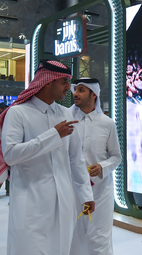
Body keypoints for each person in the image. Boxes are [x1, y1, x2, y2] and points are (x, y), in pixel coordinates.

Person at [0, 59, 95, 255]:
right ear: (47, 82)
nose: (69, 88)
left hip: (64, 201)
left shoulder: (66, 114)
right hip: (30, 201)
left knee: (60, 249)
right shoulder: (18, 113)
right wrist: (53, 135)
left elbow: (75, 159)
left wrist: (86, 195)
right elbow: (10, 155)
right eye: (64, 82)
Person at [69, 78, 122, 255]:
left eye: (81, 90)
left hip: (100, 191)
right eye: (75, 90)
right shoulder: (65, 120)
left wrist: (102, 166)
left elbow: (116, 157)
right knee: (73, 236)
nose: (75, 94)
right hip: (72, 189)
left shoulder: (107, 123)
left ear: (94, 95)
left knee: (100, 237)